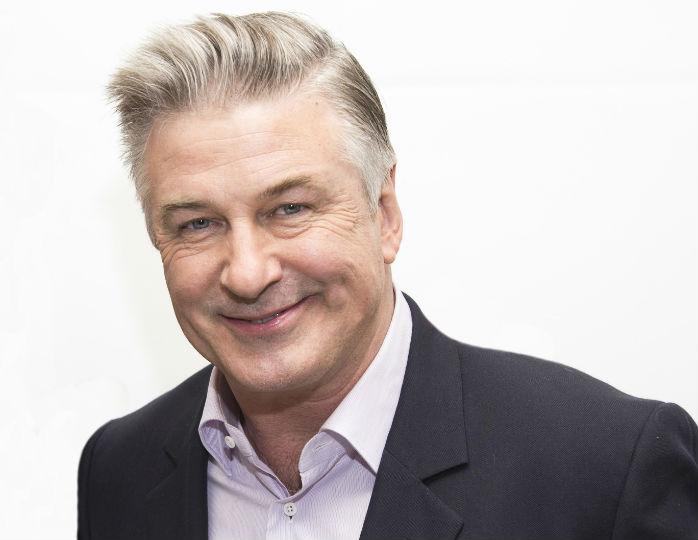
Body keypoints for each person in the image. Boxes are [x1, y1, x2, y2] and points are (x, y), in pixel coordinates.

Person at [78, 12, 698, 540]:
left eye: (289, 209)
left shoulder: (607, 469)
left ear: (385, 214)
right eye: (197, 224)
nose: (246, 273)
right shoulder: (119, 468)